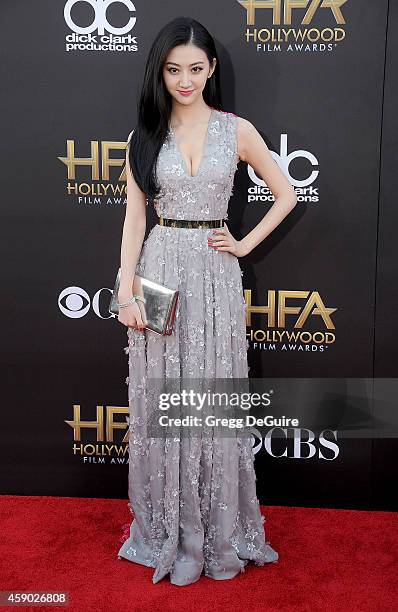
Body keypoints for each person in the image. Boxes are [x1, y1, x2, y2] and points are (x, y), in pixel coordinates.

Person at [116, 17, 297, 586]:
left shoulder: (236, 130)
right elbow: (134, 219)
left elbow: (286, 193)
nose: (185, 80)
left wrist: (242, 243)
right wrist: (126, 286)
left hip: (216, 272)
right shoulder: (143, 136)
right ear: (159, 72)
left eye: (195, 69)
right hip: (160, 266)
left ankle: (217, 535)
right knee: (161, 399)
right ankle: (169, 532)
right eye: (174, 70)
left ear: (211, 69)